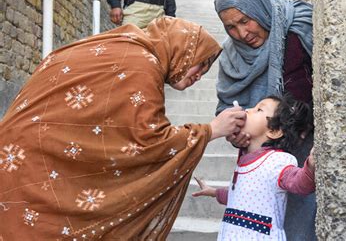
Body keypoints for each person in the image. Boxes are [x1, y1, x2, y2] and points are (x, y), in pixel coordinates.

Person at [0, 17, 247, 240]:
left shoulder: (123, 48)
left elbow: (109, 129)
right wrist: (211, 130)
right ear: (182, 48)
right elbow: (148, 141)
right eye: (200, 64)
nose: (200, 75)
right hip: (31, 158)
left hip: (19, 147)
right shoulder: (142, 65)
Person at [214, 0, 316, 240]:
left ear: (258, 7)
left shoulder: (298, 23)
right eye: (231, 27)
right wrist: (236, 132)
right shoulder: (231, 58)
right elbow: (226, 108)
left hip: (305, 149)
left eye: (245, 20)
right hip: (259, 158)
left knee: (302, 223)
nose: (242, 33)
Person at [193, 95, 316, 240]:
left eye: (259, 109)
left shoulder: (277, 160)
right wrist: (214, 192)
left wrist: (311, 166)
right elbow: (240, 196)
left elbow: (298, 184)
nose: (248, 110)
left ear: (274, 131)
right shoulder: (244, 160)